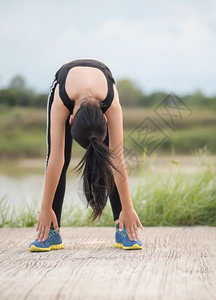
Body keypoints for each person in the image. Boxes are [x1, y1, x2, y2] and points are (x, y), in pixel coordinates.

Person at [29, 59, 144, 251]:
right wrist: (45, 208)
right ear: (70, 120)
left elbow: (118, 161)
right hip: (66, 88)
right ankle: (50, 232)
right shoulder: (61, 103)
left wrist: (128, 208)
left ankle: (124, 229)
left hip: (100, 89)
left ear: (105, 120)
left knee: (110, 159)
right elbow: (55, 160)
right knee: (59, 158)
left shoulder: (112, 106)